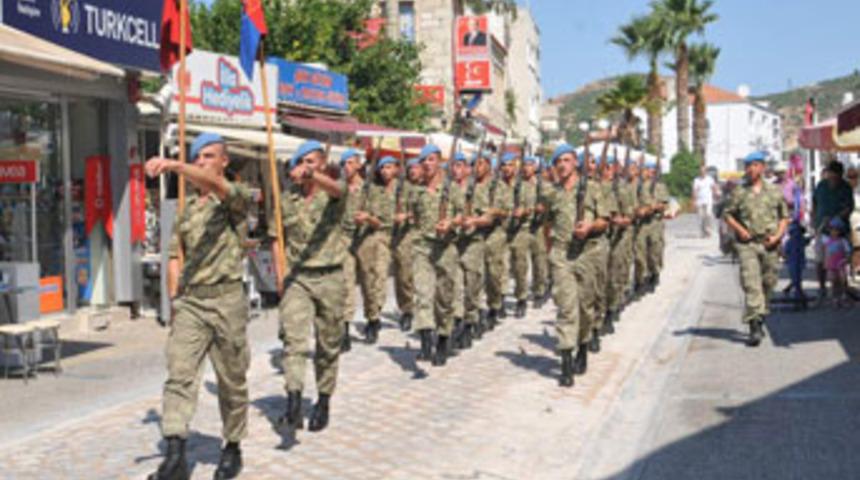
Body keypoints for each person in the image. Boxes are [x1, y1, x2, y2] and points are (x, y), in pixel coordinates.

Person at [144, 133, 252, 480]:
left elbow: (216, 185)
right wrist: (175, 300)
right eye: (197, 156)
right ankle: (175, 453)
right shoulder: (187, 208)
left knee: (231, 379)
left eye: (208, 156)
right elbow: (175, 255)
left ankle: (233, 445)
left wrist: (176, 165)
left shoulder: (236, 197)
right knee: (179, 374)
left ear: (223, 162)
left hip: (226, 300)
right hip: (192, 302)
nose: (201, 162)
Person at [272, 140, 348, 432]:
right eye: (301, 162)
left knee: (328, 345)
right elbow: (277, 237)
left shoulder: (333, 193)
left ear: (323, 164)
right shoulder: (287, 199)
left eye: (312, 161)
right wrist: (281, 275)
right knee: (294, 341)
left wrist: (315, 177)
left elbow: (339, 191)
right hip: (298, 278)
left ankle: (324, 399)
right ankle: (293, 401)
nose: (305, 167)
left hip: (330, 276)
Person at [544, 143, 609, 387]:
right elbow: (547, 224)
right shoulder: (552, 193)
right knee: (566, 307)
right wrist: (550, 251)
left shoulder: (592, 188)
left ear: (576, 163)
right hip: (562, 256)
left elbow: (605, 220)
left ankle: (583, 345)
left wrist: (591, 227)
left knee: (585, 306)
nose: (562, 165)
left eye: (567, 160)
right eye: (558, 161)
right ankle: (566, 360)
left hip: (588, 254)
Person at [723, 151, 788, 347]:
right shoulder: (739, 192)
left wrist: (778, 236)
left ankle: (761, 313)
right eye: (749, 165)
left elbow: (784, 217)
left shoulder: (775, 191)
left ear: (763, 167)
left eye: (756, 165)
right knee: (751, 283)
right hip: (747, 244)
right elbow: (727, 215)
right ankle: (754, 325)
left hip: (770, 244)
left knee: (768, 282)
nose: (752, 169)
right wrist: (740, 230)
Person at [410, 144, 463, 366]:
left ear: (439, 162)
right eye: (424, 161)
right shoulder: (416, 192)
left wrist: (450, 223)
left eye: (431, 160)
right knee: (423, 294)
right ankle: (425, 338)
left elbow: (463, 215)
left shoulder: (452, 190)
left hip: (446, 248)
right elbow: (414, 217)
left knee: (444, 298)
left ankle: (443, 337)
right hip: (423, 248)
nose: (427, 164)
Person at [354, 156, 398, 344]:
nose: (384, 171)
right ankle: (369, 316)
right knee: (366, 282)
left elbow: (381, 220)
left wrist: (368, 218)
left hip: (382, 238)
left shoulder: (393, 190)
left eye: (388, 167)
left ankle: (376, 314)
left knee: (379, 278)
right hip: (360, 241)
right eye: (382, 168)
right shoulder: (347, 190)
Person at [458, 150, 496, 346]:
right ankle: (459, 322)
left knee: (473, 282)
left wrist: (474, 221)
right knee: (454, 286)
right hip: (452, 243)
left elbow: (488, 217)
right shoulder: (442, 191)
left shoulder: (478, 191)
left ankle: (472, 316)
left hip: (473, 241)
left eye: (460, 166)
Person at [811, 160, 854, 303]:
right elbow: (815, 204)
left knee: (841, 263)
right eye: (830, 174)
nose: (832, 177)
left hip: (839, 232)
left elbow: (849, 208)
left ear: (840, 175)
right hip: (822, 230)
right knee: (819, 260)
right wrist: (815, 223)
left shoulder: (846, 188)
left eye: (835, 175)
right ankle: (822, 288)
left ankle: (841, 290)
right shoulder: (821, 186)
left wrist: (835, 218)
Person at [391, 157, 422, 332]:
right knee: (403, 275)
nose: (413, 171)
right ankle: (407, 309)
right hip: (404, 237)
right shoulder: (401, 189)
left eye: (416, 167)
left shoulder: (428, 187)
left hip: (423, 235)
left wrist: (409, 215)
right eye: (410, 168)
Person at [486, 152, 517, 323]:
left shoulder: (522, 185)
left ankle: (502, 298)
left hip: (518, 230)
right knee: (499, 267)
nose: (507, 168)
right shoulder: (496, 186)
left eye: (510, 165)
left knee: (512, 265)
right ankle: (500, 300)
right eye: (504, 165)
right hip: (499, 231)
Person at [339, 148, 364, 352]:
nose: (346, 167)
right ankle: (344, 329)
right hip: (344, 241)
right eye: (343, 164)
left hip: (366, 239)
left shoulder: (369, 189)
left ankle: (373, 318)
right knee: (346, 285)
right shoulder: (338, 189)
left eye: (349, 163)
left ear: (358, 164)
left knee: (372, 283)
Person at [821, 217, 851, 308]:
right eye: (832, 230)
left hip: (841, 263)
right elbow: (820, 232)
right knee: (833, 281)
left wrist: (846, 260)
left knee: (842, 281)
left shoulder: (843, 241)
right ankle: (835, 298)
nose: (834, 232)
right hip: (831, 264)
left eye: (836, 230)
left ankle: (842, 297)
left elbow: (848, 252)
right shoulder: (826, 240)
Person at [692, 165, 718, 238]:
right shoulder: (696, 180)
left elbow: (714, 187)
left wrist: (716, 193)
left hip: (708, 200)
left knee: (708, 215)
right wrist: (694, 201)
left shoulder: (710, 179)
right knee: (701, 217)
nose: (702, 172)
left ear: (706, 172)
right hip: (700, 201)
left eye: (703, 171)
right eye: (701, 171)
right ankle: (703, 232)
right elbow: (694, 191)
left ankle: (708, 230)